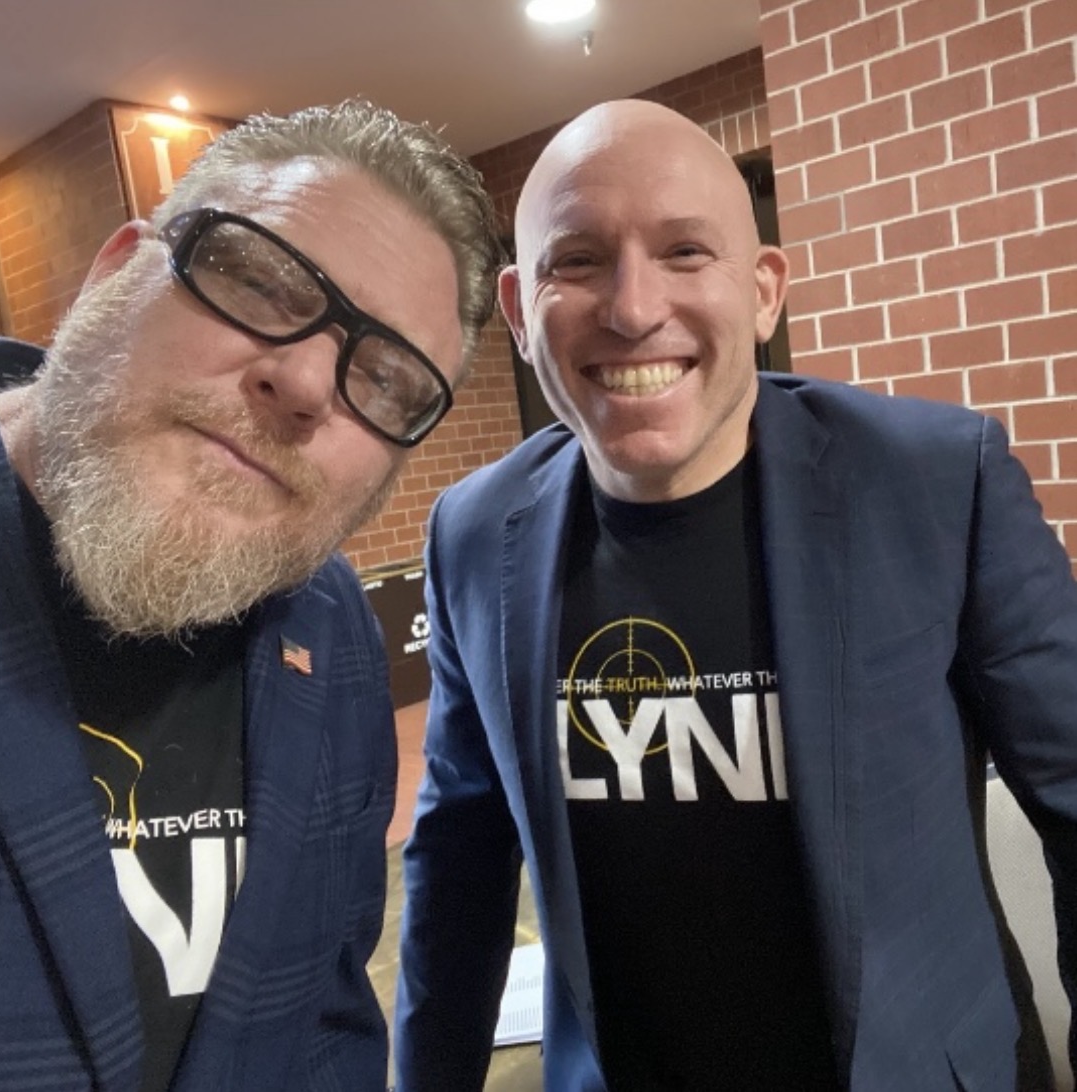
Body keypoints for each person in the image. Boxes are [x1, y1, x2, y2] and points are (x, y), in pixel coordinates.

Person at [394, 97, 1077, 1091]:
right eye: (577, 260)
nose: (632, 309)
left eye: (684, 251)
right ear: (517, 311)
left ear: (764, 292)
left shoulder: (935, 483)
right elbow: (458, 860)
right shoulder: (470, 532)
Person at [0, 98, 501, 1091]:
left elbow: (327, 1025)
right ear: (115, 273)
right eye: (257, 282)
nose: (306, 384)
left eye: (387, 380)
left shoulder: (329, 627)